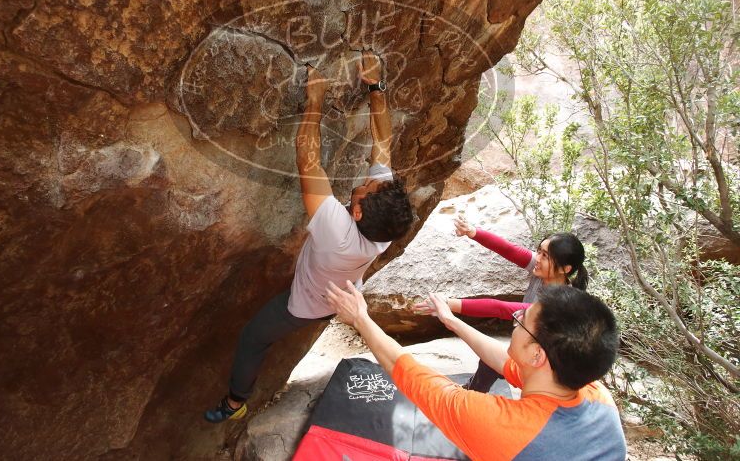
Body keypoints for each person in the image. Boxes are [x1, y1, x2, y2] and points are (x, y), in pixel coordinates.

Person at [204, 52, 414, 422]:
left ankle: (235, 403)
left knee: (254, 337)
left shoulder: (338, 233)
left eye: (363, 190)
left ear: (358, 212)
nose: (366, 183)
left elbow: (308, 161)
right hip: (344, 289)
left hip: (306, 304)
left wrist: (315, 99)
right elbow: (383, 141)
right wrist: (375, 87)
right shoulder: (385, 224)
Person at [326, 281, 626, 460]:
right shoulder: (595, 393)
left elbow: (408, 372)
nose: (516, 316)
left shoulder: (501, 428)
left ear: (537, 354)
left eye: (522, 320)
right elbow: (506, 363)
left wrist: (360, 318)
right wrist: (451, 320)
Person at [414, 218, 589, 392]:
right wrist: (473, 232)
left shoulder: (557, 304)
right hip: (528, 348)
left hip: (542, 367)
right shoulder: (544, 271)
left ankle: (473, 394)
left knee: (492, 361)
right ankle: (473, 391)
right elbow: (509, 250)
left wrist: (446, 304)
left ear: (565, 269)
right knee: (489, 361)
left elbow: (499, 308)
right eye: (539, 251)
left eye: (545, 256)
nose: (537, 258)